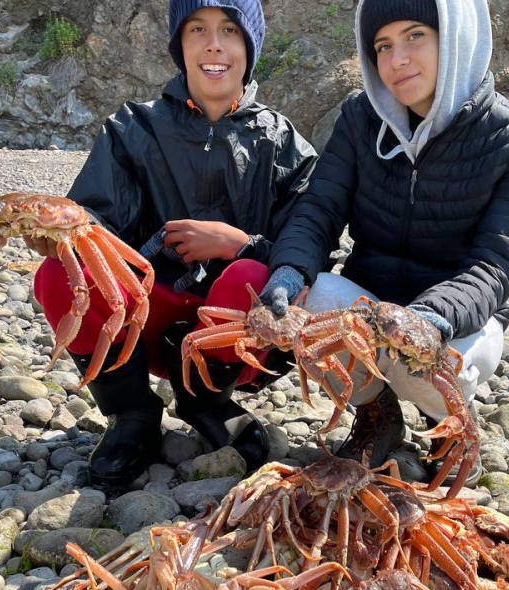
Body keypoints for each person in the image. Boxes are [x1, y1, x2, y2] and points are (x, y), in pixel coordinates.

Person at [29, 0, 317, 487]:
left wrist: (241, 243)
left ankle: (207, 402)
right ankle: (131, 414)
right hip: (143, 314)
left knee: (254, 276)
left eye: (230, 29)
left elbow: (309, 247)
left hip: (233, 336)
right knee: (61, 272)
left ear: (250, 46)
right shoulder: (131, 129)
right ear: (178, 46)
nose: (213, 44)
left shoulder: (285, 143)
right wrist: (60, 236)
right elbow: (93, 217)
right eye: (196, 29)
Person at [262, 0, 509, 483]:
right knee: (311, 309)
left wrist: (430, 319)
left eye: (415, 35)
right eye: (382, 45)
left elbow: (493, 266)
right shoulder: (359, 118)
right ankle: (378, 416)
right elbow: (319, 208)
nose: (397, 59)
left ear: (455, 37)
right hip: (371, 300)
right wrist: (290, 271)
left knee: (434, 365)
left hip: (456, 318)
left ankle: (452, 424)